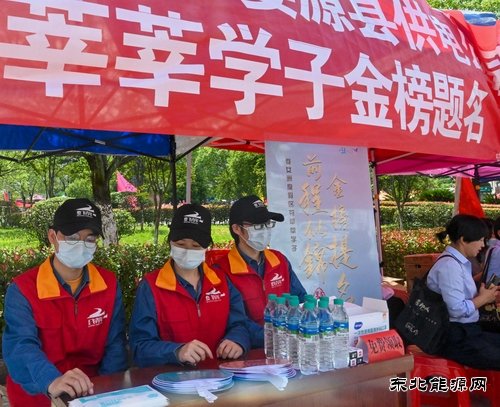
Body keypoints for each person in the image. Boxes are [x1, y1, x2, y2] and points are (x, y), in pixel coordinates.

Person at [3, 198, 128, 406]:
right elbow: (20, 347)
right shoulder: (23, 289)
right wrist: (51, 380)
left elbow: (115, 344)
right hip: (39, 395)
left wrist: (104, 391)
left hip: (92, 392)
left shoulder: (108, 285)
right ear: (53, 237)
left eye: (90, 238)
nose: (81, 244)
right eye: (72, 237)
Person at [129, 203, 250, 367]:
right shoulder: (151, 287)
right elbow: (139, 346)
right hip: (171, 378)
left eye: (196, 246)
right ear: (170, 242)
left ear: (206, 247)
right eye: (181, 244)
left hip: (220, 375)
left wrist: (237, 340)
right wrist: (177, 352)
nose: (187, 251)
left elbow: (240, 324)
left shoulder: (221, 281)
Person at [213, 195, 307, 348]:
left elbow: (300, 299)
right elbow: (235, 321)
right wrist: (272, 337)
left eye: (267, 224)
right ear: (237, 229)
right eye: (257, 226)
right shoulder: (221, 271)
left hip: (287, 347)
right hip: (248, 350)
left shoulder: (279, 261)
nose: (264, 231)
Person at [426, 214, 500, 370]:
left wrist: (484, 295)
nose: (483, 245)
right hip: (456, 338)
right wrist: (483, 299)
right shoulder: (449, 266)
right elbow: (457, 309)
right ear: (463, 239)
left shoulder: (457, 263)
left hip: (468, 332)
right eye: (480, 240)